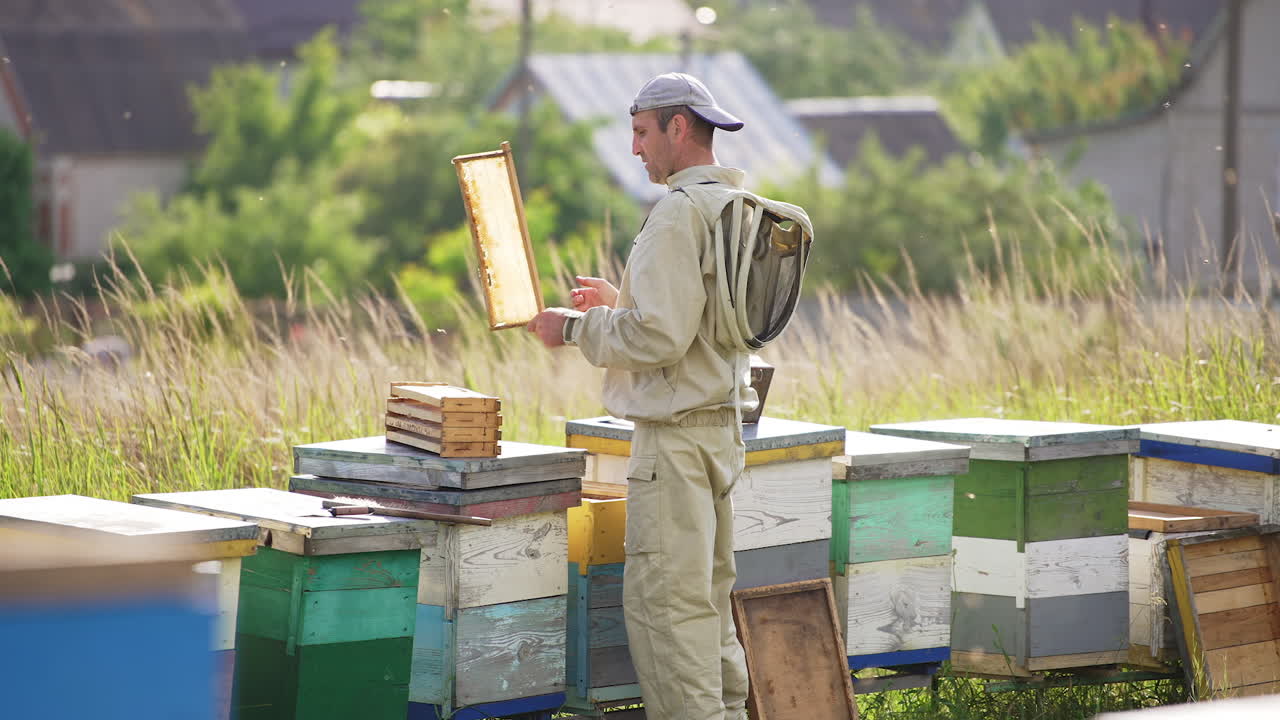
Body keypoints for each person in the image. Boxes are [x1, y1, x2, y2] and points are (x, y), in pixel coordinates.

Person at [526, 72, 755, 720]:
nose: (635, 150)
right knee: (707, 618)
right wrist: (620, 305)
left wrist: (573, 327)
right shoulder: (733, 209)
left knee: (669, 621)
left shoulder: (679, 213)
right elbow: (695, 326)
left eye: (641, 132)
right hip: (719, 436)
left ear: (677, 127)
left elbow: (658, 336)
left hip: (677, 446)